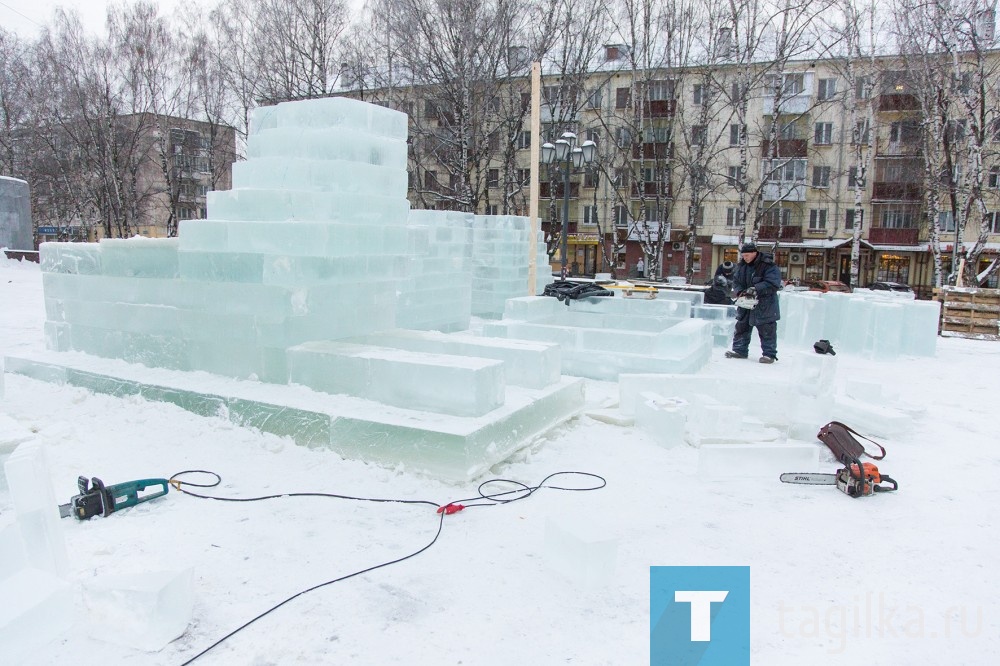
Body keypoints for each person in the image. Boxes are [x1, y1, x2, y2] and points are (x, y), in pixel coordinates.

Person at [726, 242, 782, 363]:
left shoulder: (768, 266)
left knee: (767, 329)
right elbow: (736, 281)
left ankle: (769, 354)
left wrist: (756, 288)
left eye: (747, 255)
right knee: (741, 326)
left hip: (765, 304)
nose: (745, 258)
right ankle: (739, 350)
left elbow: (773, 283)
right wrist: (740, 291)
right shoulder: (741, 266)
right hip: (745, 302)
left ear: (754, 253)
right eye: (743, 255)